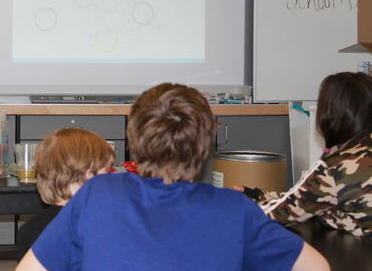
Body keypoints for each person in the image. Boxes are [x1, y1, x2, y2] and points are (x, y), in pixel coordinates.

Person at [17, 83, 329, 271]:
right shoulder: (236, 210)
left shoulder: (97, 195)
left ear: (134, 138)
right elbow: (318, 267)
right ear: (206, 145)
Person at [244, 72, 371, 239]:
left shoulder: (335, 168)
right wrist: (259, 195)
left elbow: (280, 213)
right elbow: (312, 198)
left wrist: (244, 200)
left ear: (331, 114)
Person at [15, 128, 115, 260]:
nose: (111, 176)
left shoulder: (30, 230)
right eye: (107, 171)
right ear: (90, 173)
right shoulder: (101, 226)